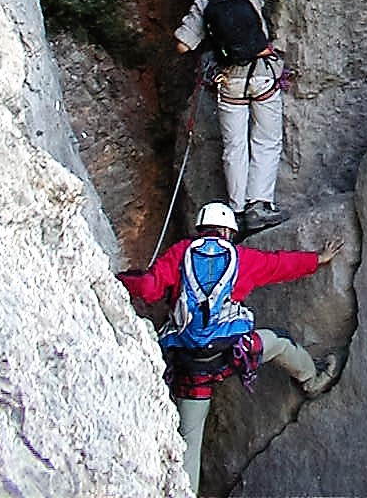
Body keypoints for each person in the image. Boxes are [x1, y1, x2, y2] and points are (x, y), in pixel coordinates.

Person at [118, 201, 343, 495]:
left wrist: (118, 279)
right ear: (228, 230)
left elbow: (148, 287)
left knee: (188, 440)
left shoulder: (180, 254)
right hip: (231, 352)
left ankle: (184, 492)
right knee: (277, 341)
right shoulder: (240, 258)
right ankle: (312, 379)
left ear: (201, 229)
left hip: (191, 365)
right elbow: (278, 265)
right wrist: (317, 259)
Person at [175, 0, 295, 235]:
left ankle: (237, 210)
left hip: (230, 80)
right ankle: (260, 206)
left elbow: (182, 46)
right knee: (266, 141)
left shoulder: (203, 3)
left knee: (234, 146)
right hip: (264, 73)